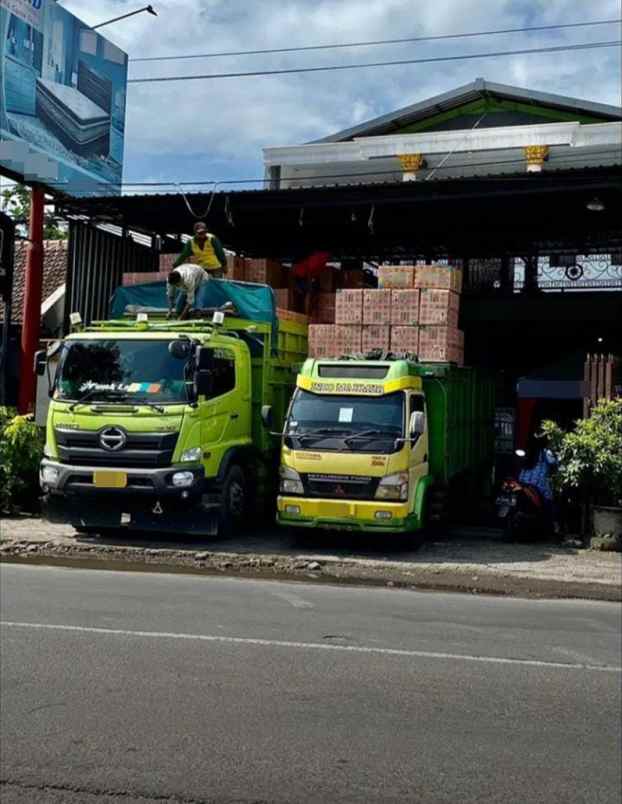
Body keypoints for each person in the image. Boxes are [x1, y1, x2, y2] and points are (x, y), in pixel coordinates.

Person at [518, 433, 559, 532]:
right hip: (538, 483)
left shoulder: (529, 450)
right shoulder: (546, 452)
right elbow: (554, 462)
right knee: (549, 501)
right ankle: (553, 526)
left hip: (523, 480)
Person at [292, 250, 331, 316]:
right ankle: (305, 313)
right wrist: (309, 285)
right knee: (304, 294)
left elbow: (316, 272)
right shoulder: (318, 258)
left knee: (311, 292)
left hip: (304, 274)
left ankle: (308, 311)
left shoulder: (323, 258)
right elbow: (309, 271)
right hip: (301, 275)